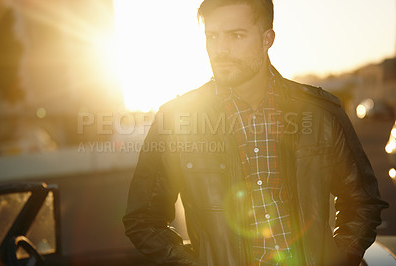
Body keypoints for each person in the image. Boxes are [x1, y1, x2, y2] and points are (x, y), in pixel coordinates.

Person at [123, 0, 389, 265]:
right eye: (212, 36)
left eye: (236, 35)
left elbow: (363, 203)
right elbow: (144, 219)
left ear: (267, 39)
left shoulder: (320, 113)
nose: (220, 49)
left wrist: (336, 260)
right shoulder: (177, 120)